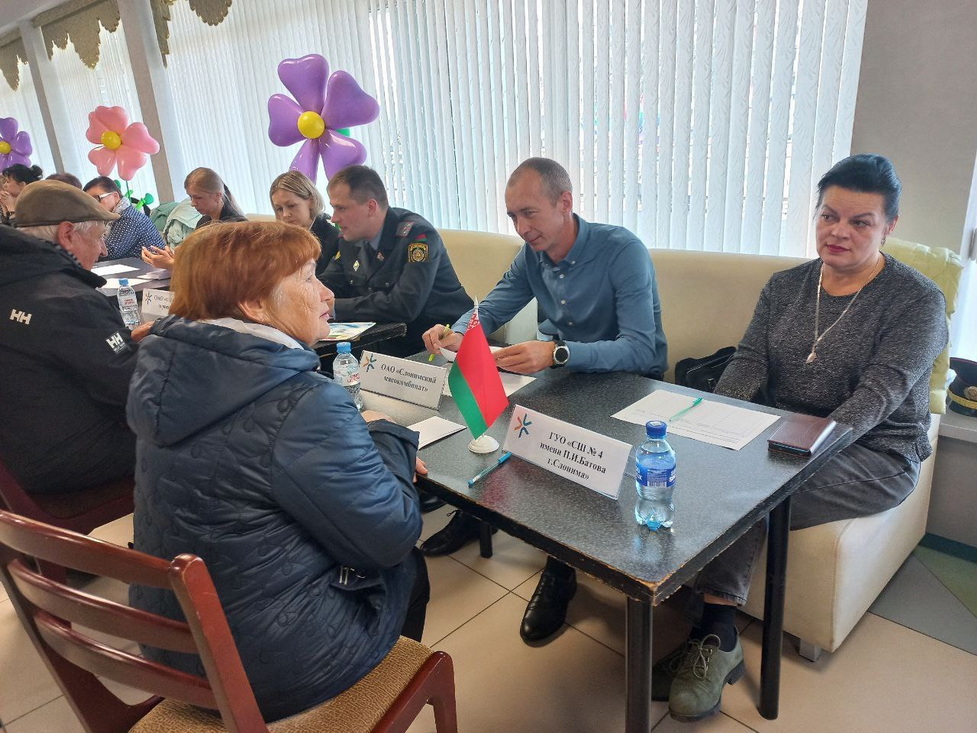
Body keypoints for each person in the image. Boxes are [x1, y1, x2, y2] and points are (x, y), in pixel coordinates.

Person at [657, 154, 948, 723]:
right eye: (828, 215)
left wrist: (789, 456)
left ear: (889, 226)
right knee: (689, 460)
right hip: (781, 431)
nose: (839, 231)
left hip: (874, 451)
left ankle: (715, 635)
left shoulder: (917, 301)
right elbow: (748, 362)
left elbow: (876, 399)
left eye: (860, 222)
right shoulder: (786, 285)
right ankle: (680, 604)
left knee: (754, 489)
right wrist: (715, 423)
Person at [127, 220, 429, 722]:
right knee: (406, 567)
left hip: (172, 643)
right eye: (308, 278)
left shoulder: (166, 370)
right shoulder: (302, 403)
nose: (327, 293)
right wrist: (386, 434)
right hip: (265, 671)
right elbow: (391, 537)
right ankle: (373, 706)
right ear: (253, 304)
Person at [422, 157, 668, 643]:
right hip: (563, 374)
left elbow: (641, 349)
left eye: (529, 213)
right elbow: (493, 307)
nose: (520, 227)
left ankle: (558, 570)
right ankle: (477, 512)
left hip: (627, 384)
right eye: (512, 216)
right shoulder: (531, 255)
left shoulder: (622, 251)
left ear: (565, 203)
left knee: (551, 440)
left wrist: (556, 352)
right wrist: (459, 332)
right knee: (485, 409)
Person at [0, 180, 146, 494]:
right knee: (210, 432)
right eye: (99, 237)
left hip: (20, 451)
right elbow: (133, 389)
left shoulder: (13, 281)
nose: (103, 249)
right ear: (68, 234)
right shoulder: (67, 299)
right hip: (69, 460)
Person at [320, 165, 473, 357]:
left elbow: (404, 306)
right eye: (333, 208)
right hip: (384, 344)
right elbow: (330, 283)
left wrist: (335, 307)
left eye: (341, 208)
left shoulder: (418, 236)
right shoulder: (350, 238)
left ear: (370, 207)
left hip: (436, 344)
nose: (334, 218)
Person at [141, 167, 245, 268]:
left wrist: (174, 265)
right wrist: (175, 258)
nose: (193, 203)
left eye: (198, 197)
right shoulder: (203, 222)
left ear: (217, 196)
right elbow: (198, 262)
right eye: (190, 197)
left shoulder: (236, 227)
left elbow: (222, 272)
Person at [270, 170, 341, 275]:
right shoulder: (278, 242)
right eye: (279, 209)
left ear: (311, 201)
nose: (285, 214)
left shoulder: (333, 239)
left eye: (291, 206)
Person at [84, 176, 166, 260]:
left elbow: (108, 253)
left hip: (151, 266)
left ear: (115, 196)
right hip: (133, 265)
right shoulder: (109, 218)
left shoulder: (128, 218)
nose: (93, 206)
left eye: (96, 199)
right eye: (89, 202)